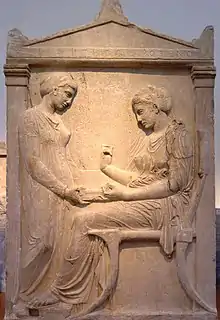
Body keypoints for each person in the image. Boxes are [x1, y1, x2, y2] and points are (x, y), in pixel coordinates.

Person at [28, 85, 195, 311]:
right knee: (88, 207)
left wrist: (126, 195)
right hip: (149, 201)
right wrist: (107, 169)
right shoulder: (154, 137)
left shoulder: (179, 135)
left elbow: (176, 184)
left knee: (83, 220)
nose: (138, 119)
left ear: (155, 108)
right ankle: (73, 291)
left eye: (141, 111)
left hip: (165, 209)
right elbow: (141, 180)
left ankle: (64, 294)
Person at [18, 73, 86, 303]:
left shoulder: (58, 122)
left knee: (60, 244)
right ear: (54, 89)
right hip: (42, 189)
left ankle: (50, 295)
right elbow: (33, 162)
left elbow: (62, 157)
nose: (70, 102)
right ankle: (23, 298)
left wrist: (71, 187)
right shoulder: (31, 118)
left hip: (64, 192)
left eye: (73, 97)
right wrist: (63, 189)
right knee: (41, 244)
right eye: (68, 95)